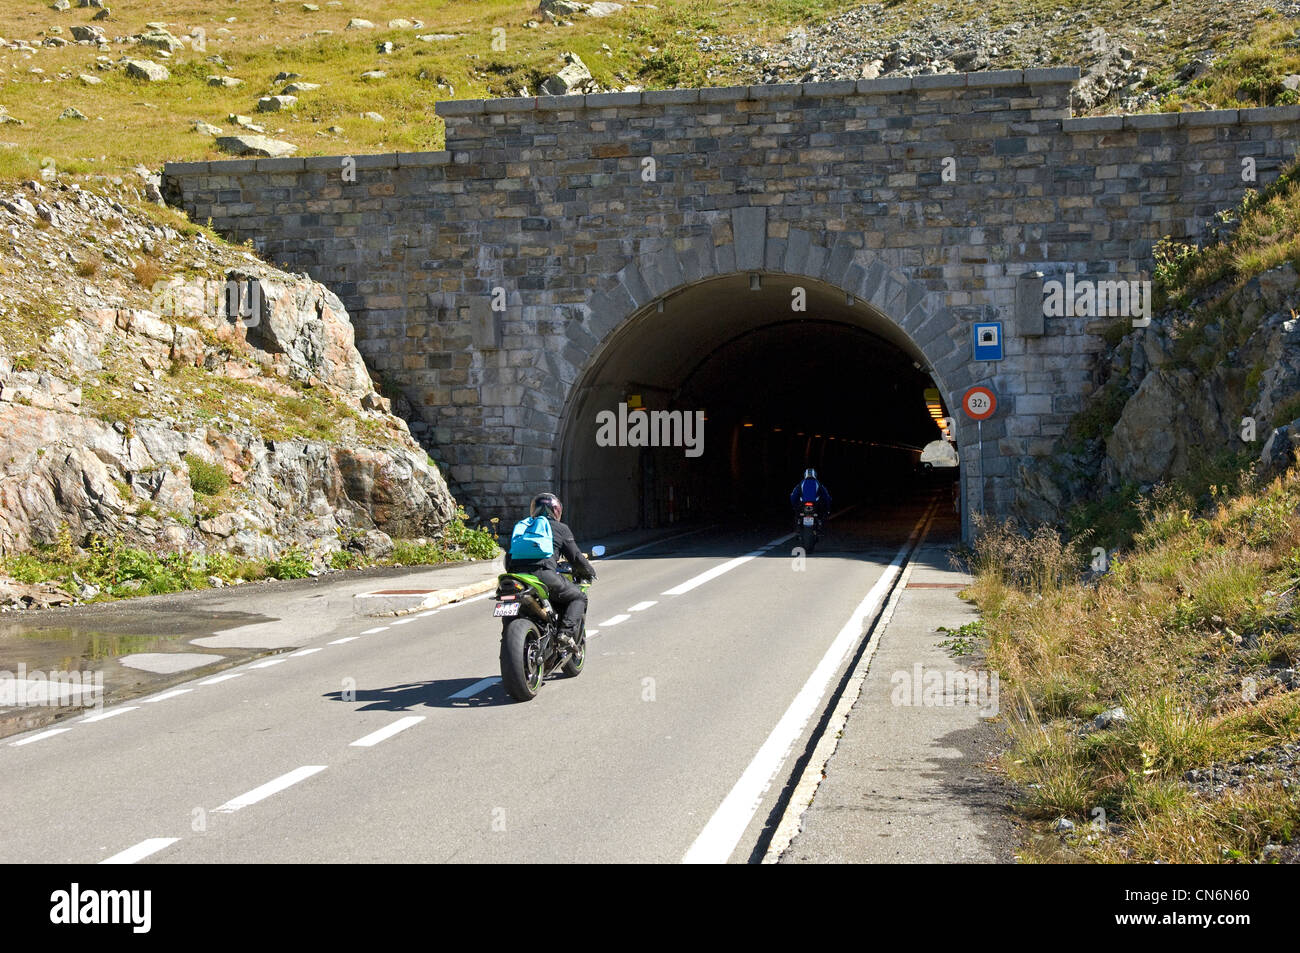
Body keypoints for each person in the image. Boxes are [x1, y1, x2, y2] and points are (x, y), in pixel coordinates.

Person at [505, 492, 596, 646]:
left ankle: (506, 637)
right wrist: (589, 571)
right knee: (578, 597)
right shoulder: (560, 528)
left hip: (515, 576)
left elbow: (509, 557)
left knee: (511, 604)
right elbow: (575, 557)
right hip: (542, 574)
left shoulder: (523, 526)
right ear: (556, 510)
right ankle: (565, 634)